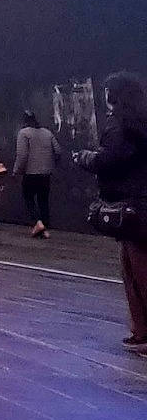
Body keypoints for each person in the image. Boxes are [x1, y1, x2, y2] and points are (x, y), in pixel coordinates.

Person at [80, 72, 147, 353]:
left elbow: (111, 158)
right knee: (134, 267)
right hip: (139, 201)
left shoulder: (119, 123)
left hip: (132, 204)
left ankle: (142, 331)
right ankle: (141, 331)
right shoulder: (139, 122)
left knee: (137, 270)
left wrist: (86, 158)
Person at [14, 111, 61, 238]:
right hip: (46, 173)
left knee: (29, 198)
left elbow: (22, 155)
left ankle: (37, 222)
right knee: (43, 200)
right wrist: (50, 164)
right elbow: (57, 151)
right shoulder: (47, 132)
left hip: (30, 173)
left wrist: (17, 170)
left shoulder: (24, 133)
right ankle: (45, 229)